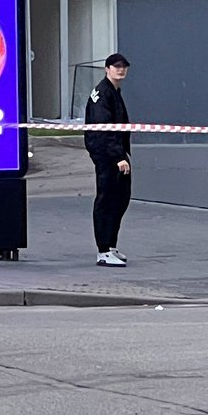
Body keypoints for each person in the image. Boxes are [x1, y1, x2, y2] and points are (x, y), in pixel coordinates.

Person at [85, 53, 133, 267]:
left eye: (123, 67)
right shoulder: (103, 94)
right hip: (108, 156)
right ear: (107, 69)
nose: (120, 70)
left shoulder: (114, 92)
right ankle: (103, 250)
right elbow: (104, 129)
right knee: (107, 200)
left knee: (120, 199)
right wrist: (118, 157)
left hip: (116, 155)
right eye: (116, 66)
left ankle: (111, 245)